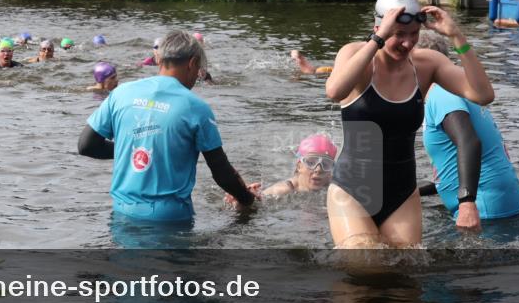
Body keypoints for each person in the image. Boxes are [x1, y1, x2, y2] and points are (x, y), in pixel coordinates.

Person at [324, 0, 494, 248]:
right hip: (352, 189)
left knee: (406, 271)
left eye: (413, 34)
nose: (407, 43)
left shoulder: (427, 64)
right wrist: (378, 40)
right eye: (398, 34)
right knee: (364, 262)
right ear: (378, 26)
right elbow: (335, 91)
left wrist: (457, 36)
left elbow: (483, 94)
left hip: (402, 193)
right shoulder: (355, 53)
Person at [78, 31, 260, 222]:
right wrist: (248, 201)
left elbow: (86, 145)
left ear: (160, 60)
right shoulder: (196, 108)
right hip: (170, 220)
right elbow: (221, 172)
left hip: (122, 213)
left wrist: (134, 145)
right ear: (192, 63)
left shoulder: (120, 93)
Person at [415, 32, 519, 232]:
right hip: (500, 204)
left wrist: (467, 203)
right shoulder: (458, 91)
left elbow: (468, 142)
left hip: (485, 210)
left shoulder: (441, 94)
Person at [261, 134, 337, 198]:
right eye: (311, 163)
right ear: (299, 166)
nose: (319, 169)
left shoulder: (333, 185)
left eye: (326, 164)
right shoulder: (282, 190)